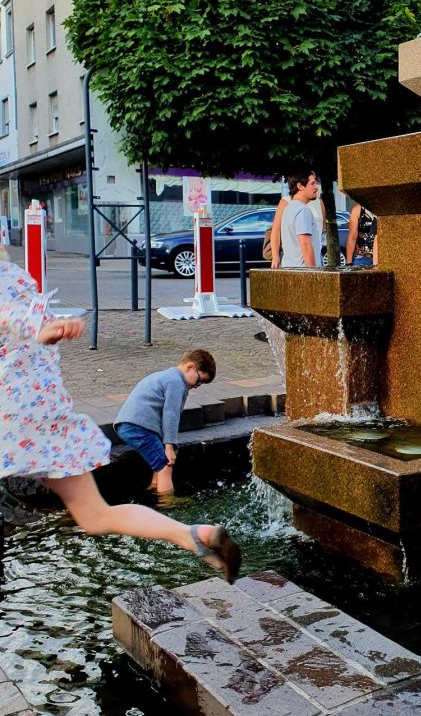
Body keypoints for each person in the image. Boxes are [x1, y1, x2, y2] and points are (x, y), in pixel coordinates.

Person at [0, 256, 241, 583]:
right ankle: (192, 535)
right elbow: (17, 317)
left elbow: (14, 320)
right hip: (37, 413)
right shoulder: (10, 277)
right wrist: (43, 331)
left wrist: (42, 332)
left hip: (14, 412)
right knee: (96, 514)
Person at [114, 349, 216, 496]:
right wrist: (169, 446)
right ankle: (168, 505)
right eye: (199, 381)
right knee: (165, 466)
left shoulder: (168, 377)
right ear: (190, 367)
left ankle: (155, 489)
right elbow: (171, 415)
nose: (197, 385)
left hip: (130, 425)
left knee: (160, 461)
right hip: (138, 427)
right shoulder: (176, 382)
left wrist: (170, 445)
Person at [269, 171, 325, 269]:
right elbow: (306, 245)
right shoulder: (303, 210)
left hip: (289, 267)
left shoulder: (289, 208)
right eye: (312, 183)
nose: (316, 187)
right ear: (300, 186)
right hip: (303, 270)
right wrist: (314, 273)